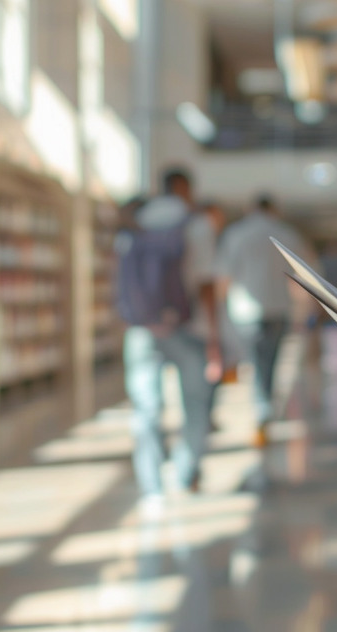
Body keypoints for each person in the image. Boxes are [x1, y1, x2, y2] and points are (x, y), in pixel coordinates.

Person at [120, 166, 220, 500]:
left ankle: (151, 483)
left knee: (146, 408)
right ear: (183, 189)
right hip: (187, 326)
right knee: (195, 403)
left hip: (142, 329)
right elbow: (206, 284)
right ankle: (186, 471)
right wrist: (215, 340)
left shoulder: (135, 222)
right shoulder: (197, 225)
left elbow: (123, 282)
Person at [215, 194, 314, 447]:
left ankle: (263, 412)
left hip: (245, 313)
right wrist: (306, 310)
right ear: (273, 209)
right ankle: (265, 409)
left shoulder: (236, 234)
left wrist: (219, 313)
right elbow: (304, 274)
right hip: (279, 309)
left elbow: (224, 277)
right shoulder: (286, 233)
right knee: (270, 364)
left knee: (256, 364)